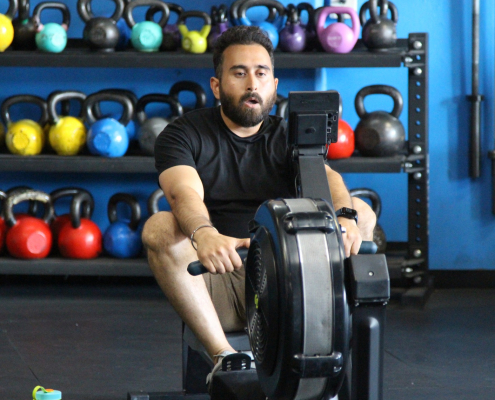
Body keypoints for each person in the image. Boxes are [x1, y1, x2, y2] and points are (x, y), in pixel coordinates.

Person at [141, 25, 376, 379]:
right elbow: (182, 192)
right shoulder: (183, 133)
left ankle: (333, 348)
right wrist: (204, 233)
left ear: (274, 86)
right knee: (159, 227)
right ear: (216, 85)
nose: (252, 84)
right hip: (216, 276)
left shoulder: (288, 136)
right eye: (239, 73)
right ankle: (224, 356)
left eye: (261, 73)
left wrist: (345, 216)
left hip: (287, 282)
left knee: (362, 212)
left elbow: (330, 179)